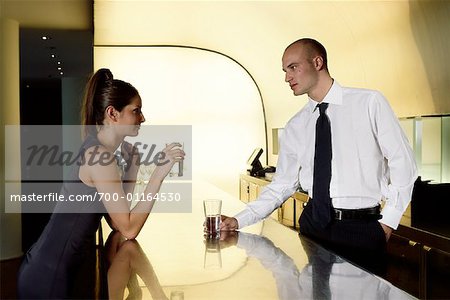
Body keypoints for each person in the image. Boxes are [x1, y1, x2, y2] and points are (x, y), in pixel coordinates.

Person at [220, 38, 417, 275]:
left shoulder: (369, 102)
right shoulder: (295, 125)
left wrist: (388, 221)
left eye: (293, 67)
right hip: (313, 224)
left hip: (361, 229)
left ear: (317, 62)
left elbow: (402, 162)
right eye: (284, 71)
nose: (286, 77)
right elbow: (282, 185)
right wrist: (239, 220)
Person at [17, 68, 185, 298]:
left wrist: (132, 167)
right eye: (136, 110)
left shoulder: (100, 150)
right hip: (49, 276)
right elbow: (129, 228)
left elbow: (117, 222)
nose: (142, 118)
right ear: (112, 113)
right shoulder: (100, 157)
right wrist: (159, 174)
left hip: (49, 269)